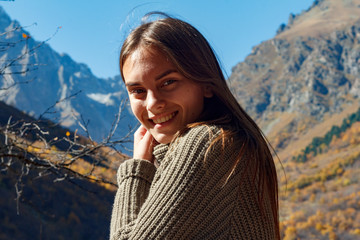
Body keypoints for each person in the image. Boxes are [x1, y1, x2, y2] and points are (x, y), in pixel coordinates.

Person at [110, 13, 279, 240]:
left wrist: (137, 170)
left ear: (206, 84)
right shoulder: (225, 143)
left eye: (168, 82)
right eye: (138, 91)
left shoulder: (207, 143)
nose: (152, 103)